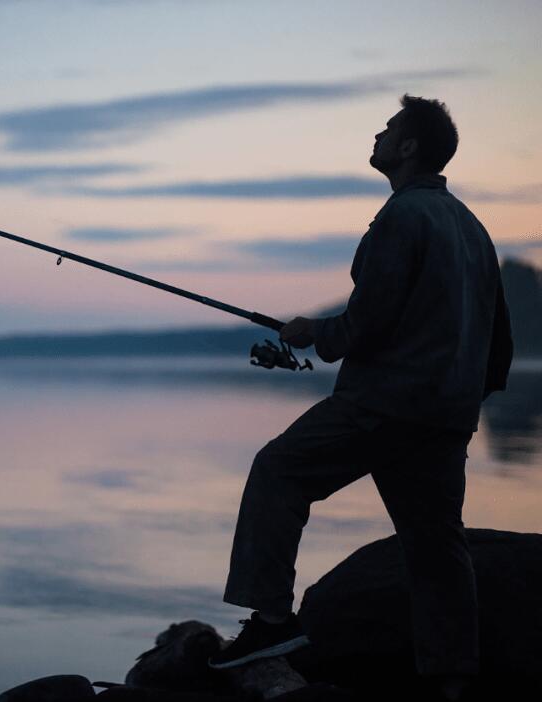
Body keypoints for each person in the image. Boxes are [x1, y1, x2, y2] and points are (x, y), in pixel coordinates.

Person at [206, 95, 514, 701]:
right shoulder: (473, 228)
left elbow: (368, 322)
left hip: (383, 404)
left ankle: (270, 624)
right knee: (435, 545)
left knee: (278, 471)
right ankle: (451, 678)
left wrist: (313, 333)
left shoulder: (401, 217)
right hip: (445, 415)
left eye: (389, 128)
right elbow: (500, 341)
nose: (377, 135)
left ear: (408, 148)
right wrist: (464, 404)